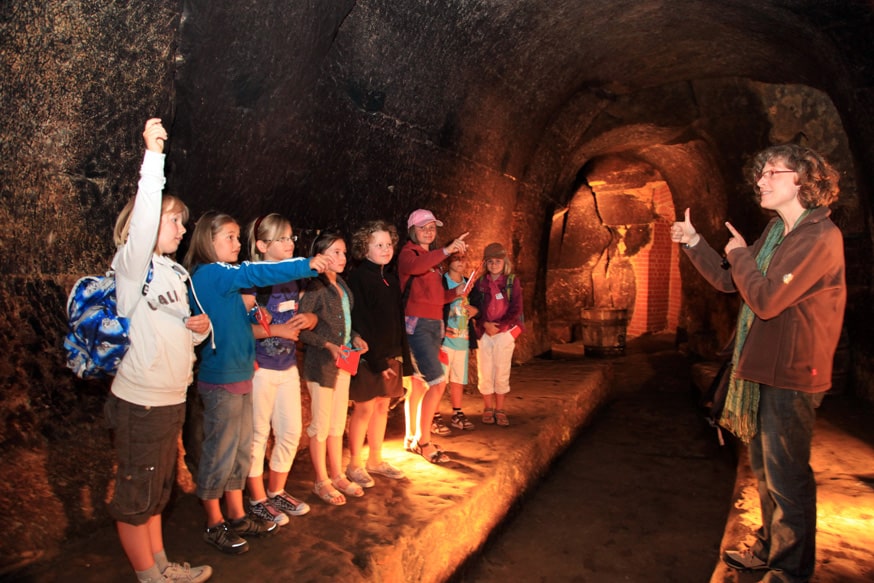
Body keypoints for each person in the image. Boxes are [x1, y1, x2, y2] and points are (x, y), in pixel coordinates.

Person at [670, 143, 845, 583]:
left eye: (772, 173)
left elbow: (766, 300)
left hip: (793, 372)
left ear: (804, 180)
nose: (760, 181)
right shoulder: (776, 233)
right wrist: (697, 243)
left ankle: (790, 572)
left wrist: (741, 254)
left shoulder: (819, 237)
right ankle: (771, 550)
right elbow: (734, 282)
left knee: (788, 478)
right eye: (760, 173)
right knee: (767, 473)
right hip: (764, 366)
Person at [182, 212, 330, 554]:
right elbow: (256, 271)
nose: (237, 244)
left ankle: (236, 514)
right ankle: (213, 522)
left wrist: (251, 313)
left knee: (239, 449)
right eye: (230, 238)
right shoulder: (211, 273)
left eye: (237, 237)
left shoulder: (226, 280)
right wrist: (306, 264)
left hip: (240, 373)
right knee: (218, 453)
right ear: (209, 240)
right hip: (221, 377)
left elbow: (236, 320)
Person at [107, 118, 213, 582]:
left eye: (183, 223)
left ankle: (162, 565)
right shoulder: (133, 267)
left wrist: (197, 328)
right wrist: (154, 159)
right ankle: (148, 576)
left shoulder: (172, 273)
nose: (182, 228)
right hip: (141, 400)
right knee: (137, 494)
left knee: (158, 491)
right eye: (175, 220)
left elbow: (177, 332)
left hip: (170, 398)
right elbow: (145, 217)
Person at [241, 214, 313, 526]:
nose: (290, 244)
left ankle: (276, 489)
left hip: (287, 366)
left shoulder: (292, 279)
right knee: (258, 435)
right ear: (261, 245)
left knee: (291, 431)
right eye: (281, 239)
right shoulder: (251, 282)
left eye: (291, 238)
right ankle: (256, 499)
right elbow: (239, 328)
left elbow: (299, 314)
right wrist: (276, 332)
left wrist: (309, 320)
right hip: (260, 369)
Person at [298, 231, 369, 505]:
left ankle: (338, 474)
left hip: (343, 362)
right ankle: (321, 480)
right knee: (321, 424)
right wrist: (328, 345)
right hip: (322, 366)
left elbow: (347, 324)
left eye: (343, 252)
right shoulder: (315, 287)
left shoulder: (341, 284)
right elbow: (302, 330)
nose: (342, 257)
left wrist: (356, 338)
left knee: (337, 423)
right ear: (320, 255)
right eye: (335, 252)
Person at [344, 221, 413, 488]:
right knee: (364, 408)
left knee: (383, 405)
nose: (386, 249)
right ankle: (354, 464)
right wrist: (377, 361)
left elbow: (397, 320)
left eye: (388, 244)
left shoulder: (390, 278)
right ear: (365, 248)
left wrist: (402, 358)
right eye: (379, 245)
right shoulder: (360, 278)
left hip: (390, 355)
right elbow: (362, 322)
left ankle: (375, 459)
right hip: (370, 357)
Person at [398, 209, 469, 463]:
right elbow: (414, 268)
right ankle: (424, 441)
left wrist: (455, 293)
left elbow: (435, 297)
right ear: (412, 230)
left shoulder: (432, 259)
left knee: (418, 385)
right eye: (422, 227)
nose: (428, 231)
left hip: (432, 324)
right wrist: (447, 251)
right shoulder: (409, 254)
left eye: (432, 227)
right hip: (417, 325)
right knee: (438, 382)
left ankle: (411, 436)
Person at [469, 242, 523, 427]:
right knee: (485, 370)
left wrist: (500, 326)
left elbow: (516, 307)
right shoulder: (480, 283)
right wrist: (484, 323)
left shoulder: (511, 281)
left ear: (504, 262)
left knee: (501, 369)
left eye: (497, 261)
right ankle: (488, 407)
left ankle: (500, 408)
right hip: (485, 331)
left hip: (504, 331)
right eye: (490, 261)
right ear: (485, 263)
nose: (494, 265)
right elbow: (475, 306)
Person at [440, 252, 479, 430]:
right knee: (440, 380)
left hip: (463, 338)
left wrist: (475, 310)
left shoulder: (469, 283)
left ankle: (457, 412)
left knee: (458, 378)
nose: (460, 263)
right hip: (445, 340)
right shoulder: (441, 281)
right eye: (456, 259)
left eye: (463, 259)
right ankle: (434, 414)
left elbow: (479, 305)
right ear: (448, 262)